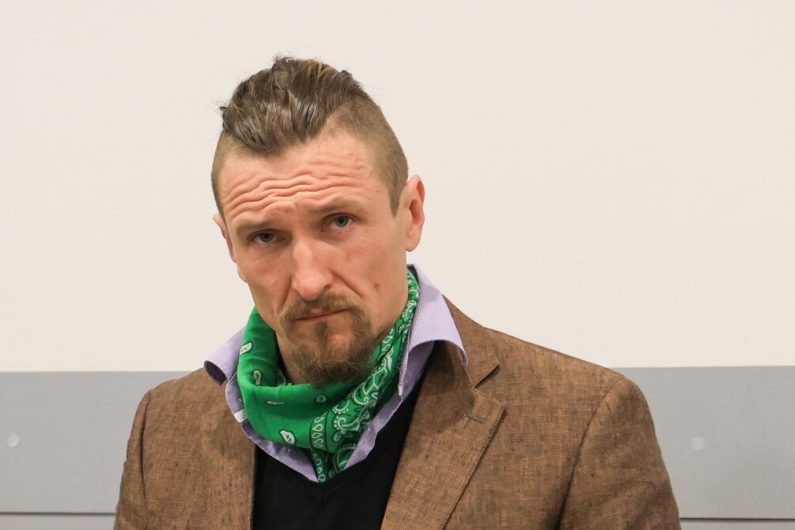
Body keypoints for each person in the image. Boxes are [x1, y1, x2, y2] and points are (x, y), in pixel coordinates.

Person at [115, 57, 679, 529]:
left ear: (411, 214)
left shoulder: (581, 422)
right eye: (265, 237)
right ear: (230, 246)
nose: (309, 280)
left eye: (339, 222)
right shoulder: (164, 429)